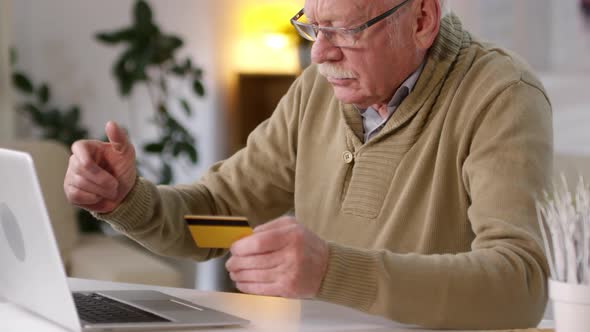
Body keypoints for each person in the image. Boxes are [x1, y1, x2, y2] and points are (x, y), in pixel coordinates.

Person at [63, 0, 553, 329]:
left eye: (343, 28)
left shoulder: (500, 95)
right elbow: (220, 223)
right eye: (312, 25)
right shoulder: (316, 91)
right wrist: (127, 200)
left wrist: (332, 272)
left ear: (422, 20)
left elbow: (520, 284)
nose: (318, 52)